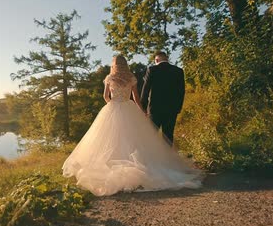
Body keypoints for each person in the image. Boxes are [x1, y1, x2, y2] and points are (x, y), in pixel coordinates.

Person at [62, 55, 203, 196]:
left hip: (113, 107)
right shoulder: (131, 78)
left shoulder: (110, 78)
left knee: (111, 137)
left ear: (114, 64)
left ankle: (112, 161)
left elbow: (105, 96)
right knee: (133, 138)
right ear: (125, 64)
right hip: (129, 107)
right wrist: (141, 111)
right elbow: (135, 98)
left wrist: (112, 105)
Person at [140, 51, 185, 144]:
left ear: (156, 60)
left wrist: (143, 108)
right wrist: (178, 107)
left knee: (151, 135)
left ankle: (152, 156)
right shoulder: (178, 71)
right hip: (172, 109)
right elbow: (181, 91)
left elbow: (145, 90)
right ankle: (167, 157)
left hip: (155, 108)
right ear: (166, 59)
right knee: (168, 136)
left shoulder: (152, 70)